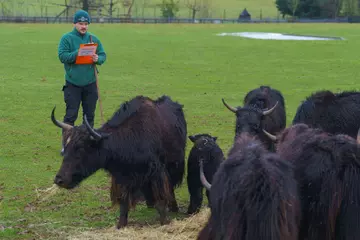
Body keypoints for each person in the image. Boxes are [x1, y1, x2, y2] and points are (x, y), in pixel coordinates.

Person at [58, 9, 106, 155]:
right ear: (74, 23)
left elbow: (103, 55)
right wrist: (77, 53)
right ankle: (66, 145)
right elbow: (62, 56)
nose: (83, 26)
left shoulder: (93, 39)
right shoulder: (67, 38)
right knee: (71, 115)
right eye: (80, 23)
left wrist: (99, 59)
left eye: (86, 24)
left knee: (89, 115)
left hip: (90, 83)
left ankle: (86, 144)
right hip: (73, 84)